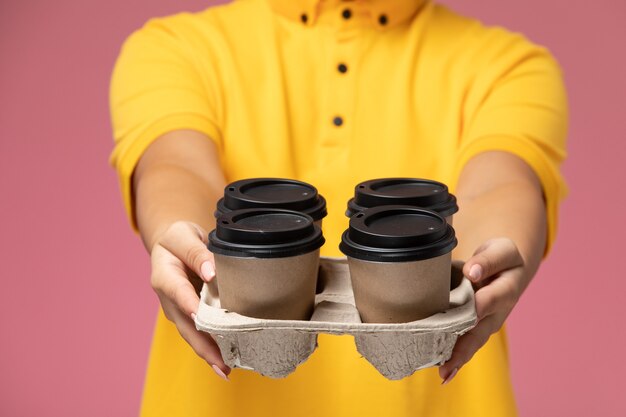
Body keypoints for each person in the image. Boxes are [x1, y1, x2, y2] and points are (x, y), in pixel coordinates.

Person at [109, 0, 568, 415]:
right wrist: (181, 234)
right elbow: (176, 167)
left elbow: (500, 185)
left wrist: (488, 258)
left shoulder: (509, 65)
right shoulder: (175, 49)